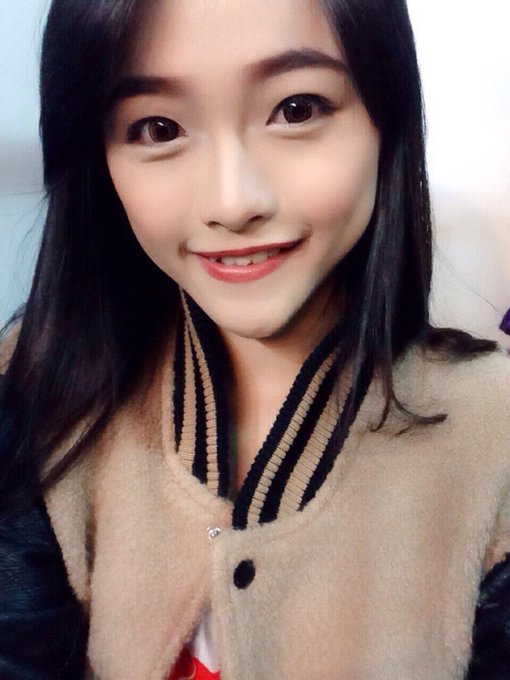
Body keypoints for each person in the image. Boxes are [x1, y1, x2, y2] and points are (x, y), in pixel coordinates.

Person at [0, 0, 509, 677]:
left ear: (385, 114)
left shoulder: (495, 438)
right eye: (157, 128)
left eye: (297, 109)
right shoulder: (35, 397)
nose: (233, 202)